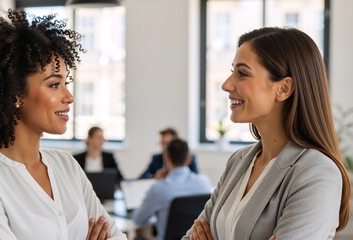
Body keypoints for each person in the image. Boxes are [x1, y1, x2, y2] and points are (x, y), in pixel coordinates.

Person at [0, 9, 125, 239]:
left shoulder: (66, 165)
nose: (69, 96)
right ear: (16, 95)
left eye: (65, 83)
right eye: (53, 85)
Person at [183, 27, 351, 240]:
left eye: (242, 73)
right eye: (232, 71)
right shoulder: (239, 160)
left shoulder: (317, 174)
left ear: (283, 88)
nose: (226, 84)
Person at [132, 138, 212, 240]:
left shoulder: (158, 188)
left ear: (165, 158)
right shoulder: (205, 183)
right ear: (189, 159)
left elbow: (138, 219)